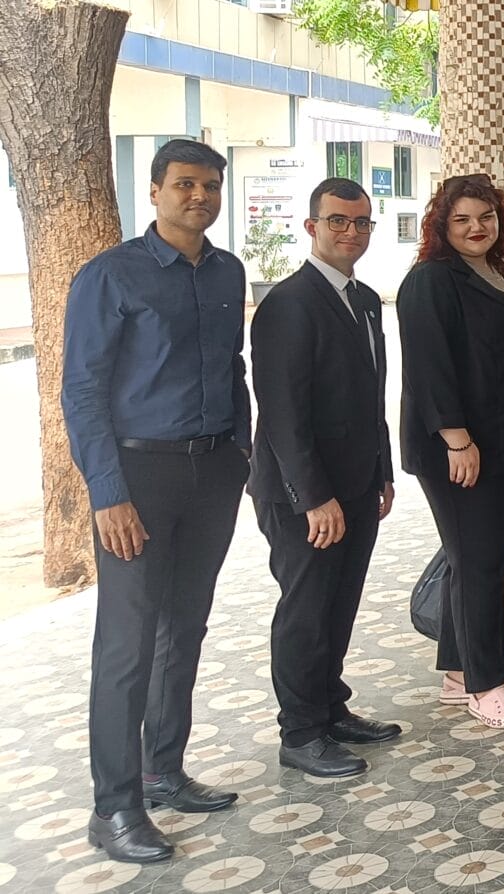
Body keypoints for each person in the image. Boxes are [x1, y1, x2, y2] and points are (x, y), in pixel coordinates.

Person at [62, 139, 250, 863]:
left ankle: (163, 770)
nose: (199, 196)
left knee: (185, 628)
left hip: (211, 474)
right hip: (138, 478)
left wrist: (242, 454)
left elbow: (232, 368)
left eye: (210, 186)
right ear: (154, 191)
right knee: (127, 643)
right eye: (184, 184)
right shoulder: (111, 275)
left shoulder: (227, 271)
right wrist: (107, 493)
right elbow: (82, 391)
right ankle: (114, 808)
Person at [250, 177, 402, 780]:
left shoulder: (364, 300)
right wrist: (313, 497)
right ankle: (301, 732)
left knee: (340, 603)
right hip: (304, 495)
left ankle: (330, 708)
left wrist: (381, 470)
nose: (350, 232)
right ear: (312, 227)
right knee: (306, 610)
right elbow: (282, 412)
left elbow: (370, 394)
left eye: (361, 222)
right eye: (338, 221)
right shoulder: (288, 303)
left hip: (358, 484)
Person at [396, 173, 504, 731]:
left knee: (477, 561)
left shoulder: (499, 272)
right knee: (478, 564)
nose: (476, 228)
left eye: (486, 217)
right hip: (460, 449)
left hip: (502, 442)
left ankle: (460, 672)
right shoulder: (431, 280)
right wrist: (456, 439)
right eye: (461, 219)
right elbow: (429, 367)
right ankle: (487, 685)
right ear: (442, 225)